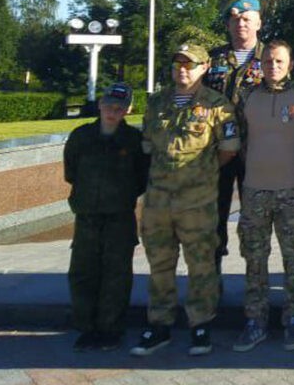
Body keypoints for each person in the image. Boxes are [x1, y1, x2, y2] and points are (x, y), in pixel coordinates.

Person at [131, 43, 240, 357]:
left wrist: (199, 172)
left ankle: (200, 324)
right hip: (158, 202)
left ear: (205, 67)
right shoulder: (156, 104)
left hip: (197, 201)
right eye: (178, 63)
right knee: (160, 265)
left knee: (201, 265)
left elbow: (229, 148)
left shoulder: (217, 106)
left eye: (189, 64)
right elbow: (149, 146)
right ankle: (159, 324)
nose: (182, 69)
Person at [231, 41, 294, 353]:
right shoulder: (245, 97)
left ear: (290, 64)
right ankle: (255, 320)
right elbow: (240, 141)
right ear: (261, 64)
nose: (273, 66)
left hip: (292, 192)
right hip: (254, 192)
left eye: (279, 61)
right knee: (254, 260)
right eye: (268, 61)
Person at [64, 82, 149, 351]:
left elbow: (141, 179)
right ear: (100, 104)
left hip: (119, 217)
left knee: (116, 275)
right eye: (109, 105)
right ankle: (86, 327)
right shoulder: (81, 137)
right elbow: (71, 173)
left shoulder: (134, 141)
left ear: (128, 110)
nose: (113, 111)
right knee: (83, 273)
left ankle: (110, 328)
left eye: (119, 107)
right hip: (87, 216)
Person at [203, 0, 266, 279]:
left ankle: (255, 286)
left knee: (254, 220)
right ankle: (210, 289)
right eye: (236, 19)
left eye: (247, 19)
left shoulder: (270, 57)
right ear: (229, 24)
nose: (241, 24)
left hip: (255, 152)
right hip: (216, 151)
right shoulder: (212, 58)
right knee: (212, 218)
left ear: (258, 23)